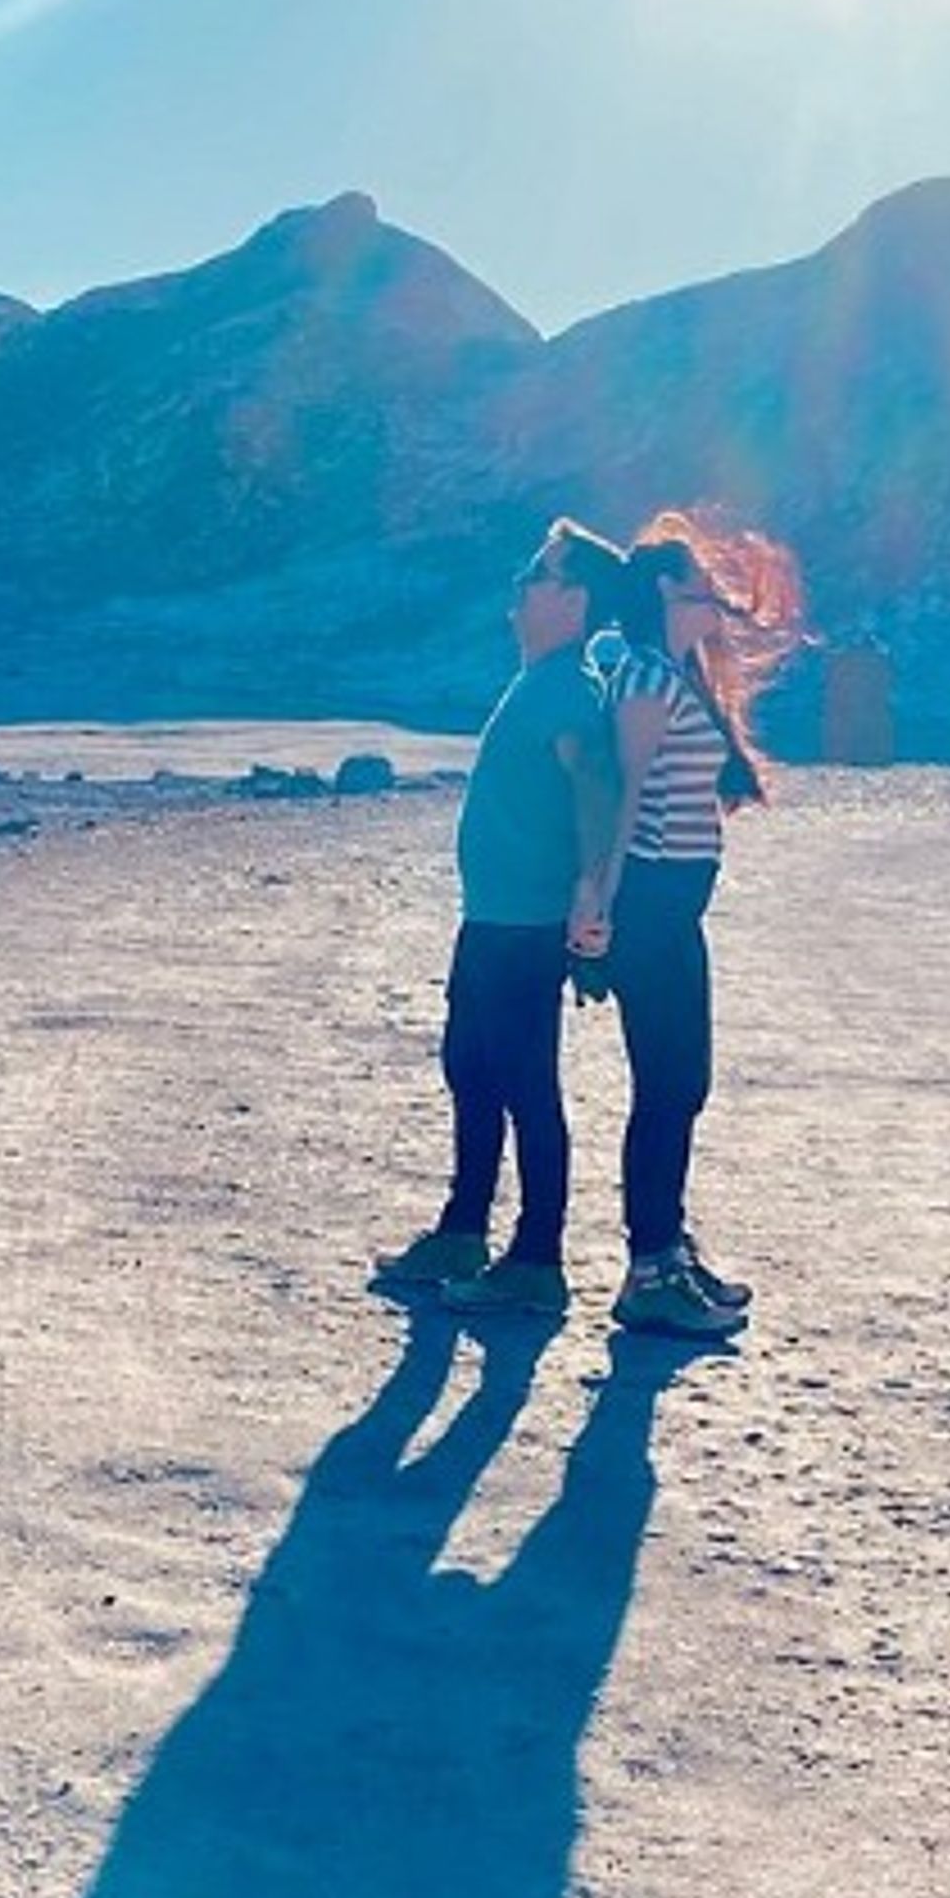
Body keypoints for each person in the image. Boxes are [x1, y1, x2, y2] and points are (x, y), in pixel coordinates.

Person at [372, 522, 628, 1313]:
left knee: (525, 1085)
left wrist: (592, 893)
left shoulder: (567, 688)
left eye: (537, 574)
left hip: (523, 926)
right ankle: (463, 1230)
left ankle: (538, 1259)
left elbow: (595, 785)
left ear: (574, 599)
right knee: (470, 1071)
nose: (520, 588)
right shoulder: (542, 678)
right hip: (491, 920)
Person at [587, 511, 800, 1339]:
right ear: (662, 598)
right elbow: (624, 796)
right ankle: (649, 1270)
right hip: (646, 905)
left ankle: (667, 1250)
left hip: (675, 909)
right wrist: (597, 910)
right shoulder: (644, 679)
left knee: (684, 1085)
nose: (713, 601)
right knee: (666, 1087)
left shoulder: (670, 675)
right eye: (698, 590)